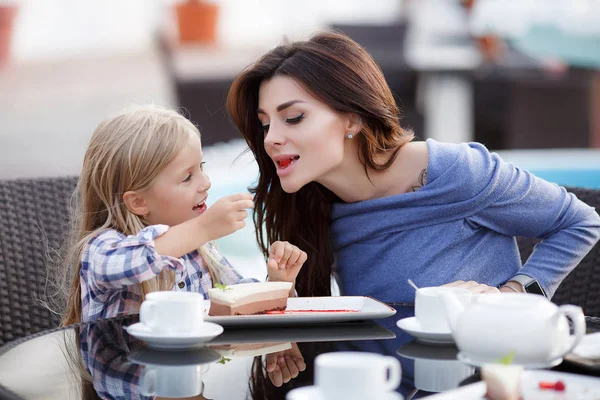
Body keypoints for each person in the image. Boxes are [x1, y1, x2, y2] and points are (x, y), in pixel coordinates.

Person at [225, 32, 600, 303]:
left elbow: (580, 222)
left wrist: (514, 295)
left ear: (353, 120)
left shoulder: (454, 172)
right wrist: (280, 289)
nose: (271, 138)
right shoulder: (308, 205)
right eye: (264, 123)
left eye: (293, 117)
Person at [59, 105, 307, 325]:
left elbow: (236, 302)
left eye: (201, 168)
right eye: (187, 177)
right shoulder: (102, 249)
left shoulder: (199, 249)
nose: (206, 183)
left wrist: (277, 283)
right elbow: (131, 262)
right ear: (138, 202)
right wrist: (203, 228)